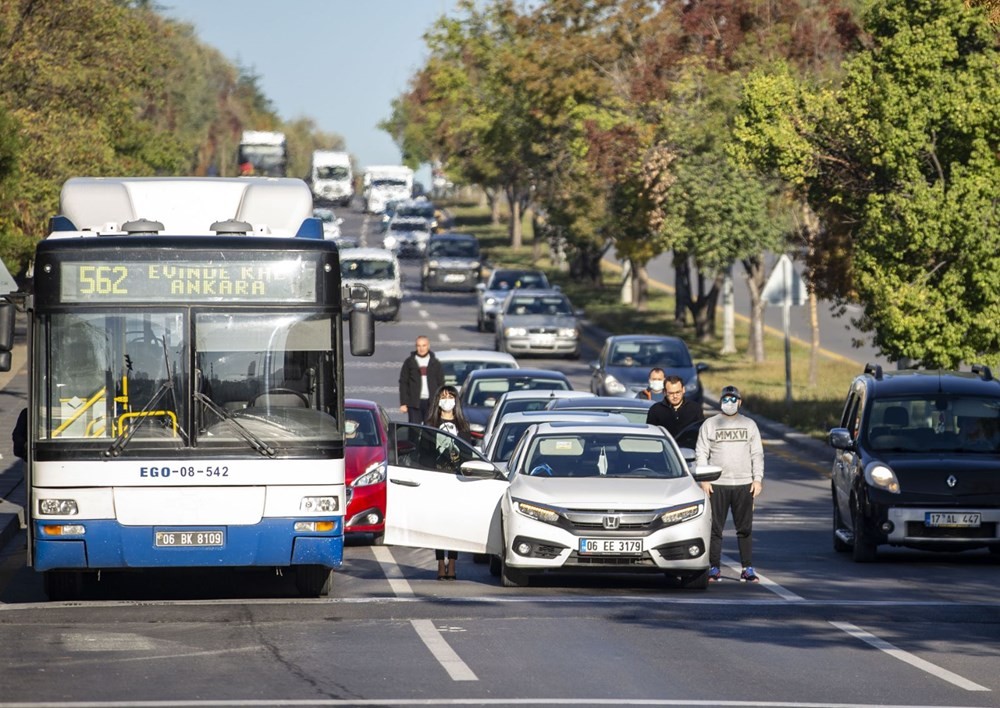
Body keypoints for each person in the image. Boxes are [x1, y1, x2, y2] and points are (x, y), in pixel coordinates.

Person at [695, 385, 764, 584]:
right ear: (720, 402)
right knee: (715, 528)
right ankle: (714, 567)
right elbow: (701, 452)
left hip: (744, 483)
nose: (730, 403)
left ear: (740, 402)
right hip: (718, 484)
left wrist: (757, 479)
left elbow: (756, 453)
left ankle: (747, 568)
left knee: (745, 528)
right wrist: (704, 479)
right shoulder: (710, 424)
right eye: (726, 399)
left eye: (733, 400)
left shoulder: (749, 424)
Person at [424, 384, 471, 580]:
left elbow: (468, 455)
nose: (446, 400)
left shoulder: (463, 428)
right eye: (443, 396)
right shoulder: (430, 426)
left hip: (456, 481)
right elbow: (424, 454)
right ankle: (439, 563)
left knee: (453, 524)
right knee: (438, 524)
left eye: (450, 396)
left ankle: (452, 563)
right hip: (437, 481)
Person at [645, 374, 704, 444]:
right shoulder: (655, 410)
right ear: (664, 392)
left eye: (678, 392)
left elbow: (701, 433)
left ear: (683, 390)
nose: (675, 396)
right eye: (671, 393)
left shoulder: (695, 408)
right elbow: (650, 436)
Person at [398, 335, 444, 424]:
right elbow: (403, 382)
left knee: (430, 429)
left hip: (431, 403)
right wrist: (403, 403)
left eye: (424, 345)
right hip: (414, 403)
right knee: (414, 429)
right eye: (419, 346)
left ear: (428, 346)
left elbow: (441, 383)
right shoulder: (409, 362)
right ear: (416, 347)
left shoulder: (435, 363)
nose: (421, 348)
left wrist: (440, 403)